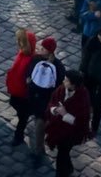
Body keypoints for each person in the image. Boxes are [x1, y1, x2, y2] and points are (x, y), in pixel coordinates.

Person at [45, 70, 91, 177]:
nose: (63, 81)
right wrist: (55, 109)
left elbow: (81, 121)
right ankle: (69, 168)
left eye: (66, 80)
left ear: (73, 84)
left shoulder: (82, 97)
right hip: (58, 129)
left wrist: (65, 114)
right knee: (63, 153)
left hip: (70, 134)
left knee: (62, 155)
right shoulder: (61, 89)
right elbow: (52, 102)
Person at [30, 37, 65, 168]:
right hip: (36, 98)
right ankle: (40, 149)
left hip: (46, 101)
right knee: (38, 125)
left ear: (50, 51)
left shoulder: (58, 66)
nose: (40, 49)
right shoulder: (36, 59)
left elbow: (58, 86)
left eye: (43, 48)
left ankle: (39, 152)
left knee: (40, 126)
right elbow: (30, 75)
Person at [6, 28, 39, 148]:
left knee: (23, 116)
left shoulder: (33, 60)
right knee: (16, 106)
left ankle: (18, 136)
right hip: (17, 91)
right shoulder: (22, 54)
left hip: (24, 94)